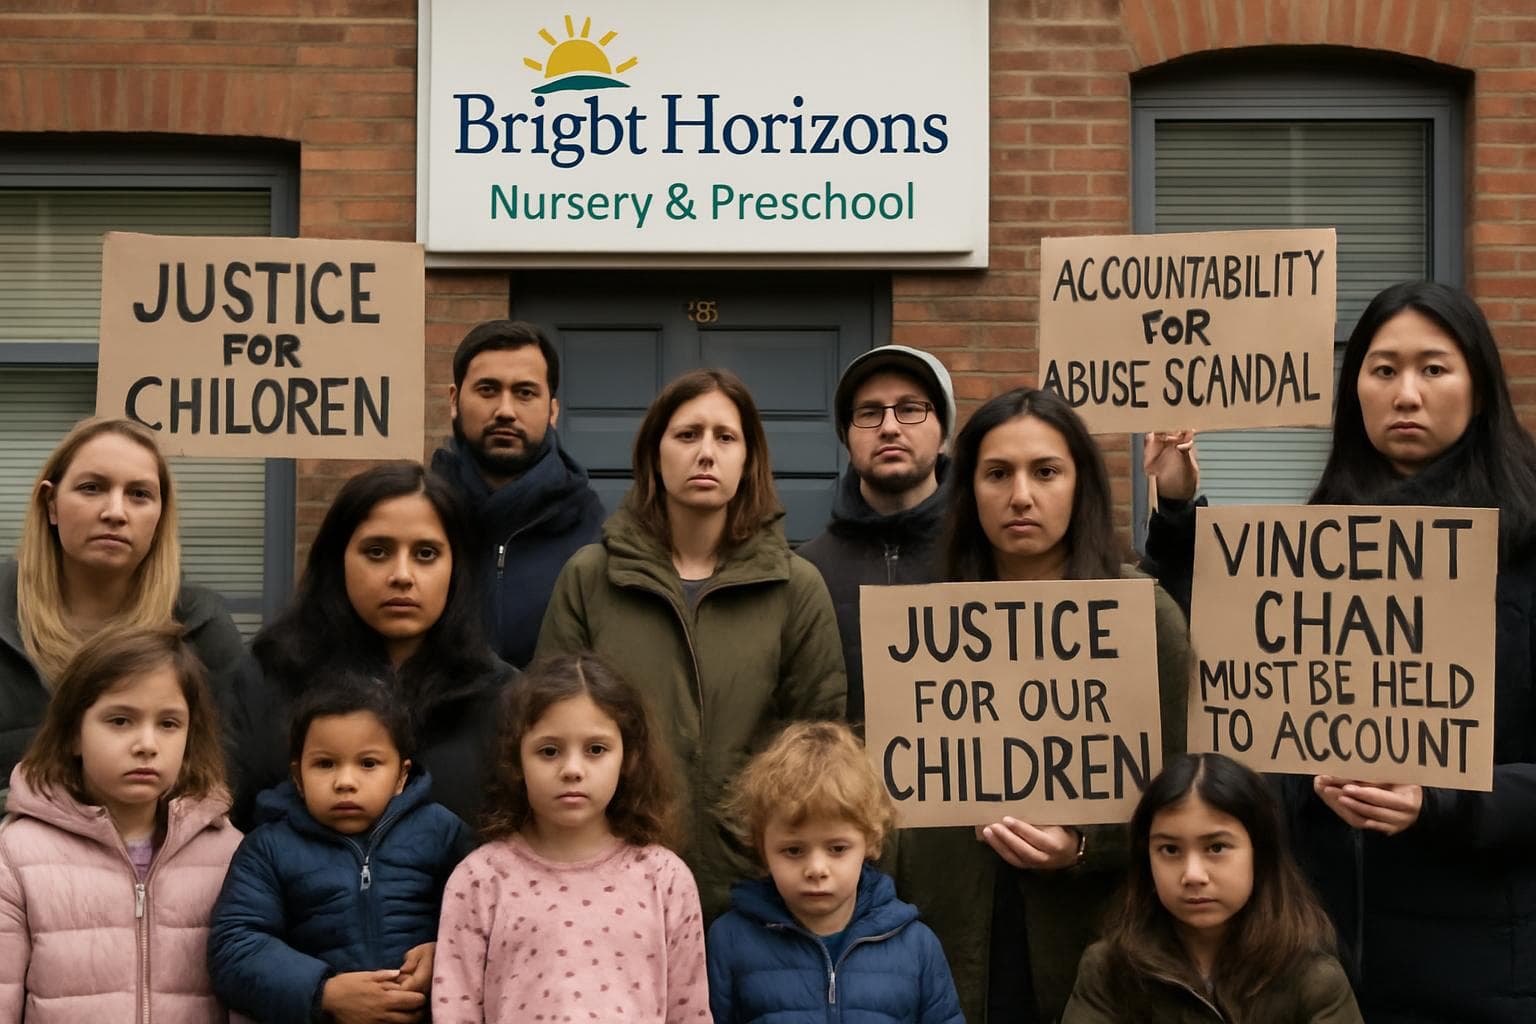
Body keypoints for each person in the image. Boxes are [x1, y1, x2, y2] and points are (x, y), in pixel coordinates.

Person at [1142, 281, 1536, 1021]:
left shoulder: (1526, 549)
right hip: (1317, 963)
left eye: (1433, 368)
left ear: (1480, 389)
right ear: (1355, 391)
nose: (1406, 394)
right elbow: (1215, 652)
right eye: (1383, 370)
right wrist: (1178, 512)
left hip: (1480, 969)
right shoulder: (1315, 543)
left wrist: (1439, 801)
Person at [914, 387, 1192, 1023]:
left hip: (1098, 940)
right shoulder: (923, 624)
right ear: (968, 491)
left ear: (1080, 485)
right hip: (950, 940)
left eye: (1045, 472)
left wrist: (1085, 846)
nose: (1020, 496)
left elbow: (1186, 789)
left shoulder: (1146, 616)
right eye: (997, 474)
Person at [537, 368, 846, 921]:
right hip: (615, 885)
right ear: (654, 454)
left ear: (748, 460)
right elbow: (549, 731)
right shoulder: (590, 577)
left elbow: (819, 745)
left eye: (725, 437)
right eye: (687, 435)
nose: (706, 453)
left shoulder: (796, 587)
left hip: (757, 889)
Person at [228, 463, 512, 829]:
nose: (402, 576)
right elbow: (225, 826)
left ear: (456, 569)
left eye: (426, 554)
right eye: (377, 551)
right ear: (338, 560)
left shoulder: (503, 698)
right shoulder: (267, 678)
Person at [431, 654, 709, 1023]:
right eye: (549, 751)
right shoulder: (480, 880)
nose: (572, 770)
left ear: (629, 758)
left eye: (596, 750)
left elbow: (690, 1013)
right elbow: (455, 1011)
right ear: (516, 761)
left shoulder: (665, 879)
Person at [0, 624, 241, 1022]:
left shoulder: (229, 852)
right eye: (120, 721)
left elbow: (248, 996)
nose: (147, 744)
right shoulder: (16, 853)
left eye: (168, 724)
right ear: (73, 735)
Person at [0, 417, 244, 792]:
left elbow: (224, 777)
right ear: (51, 504)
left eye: (139, 494)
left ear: (161, 515)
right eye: (92, 488)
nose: (115, 512)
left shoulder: (199, 625)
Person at [210, 679, 472, 1024]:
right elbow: (234, 947)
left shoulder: (442, 833)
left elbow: (488, 922)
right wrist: (324, 992)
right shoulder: (268, 847)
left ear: (401, 775)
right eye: (325, 764)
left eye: (368, 763)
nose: (345, 781)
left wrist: (445, 954)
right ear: (298, 777)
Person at [1062, 753, 1362, 1023]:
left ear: (1260, 853)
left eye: (1216, 847)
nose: (1193, 875)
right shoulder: (1109, 968)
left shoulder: (1312, 978)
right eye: (1170, 850)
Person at [707, 720, 964, 1024]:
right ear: (762, 849)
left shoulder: (916, 946)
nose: (816, 869)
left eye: (837, 848)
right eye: (793, 850)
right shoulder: (730, 941)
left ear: (871, 842)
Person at [431, 320, 605, 667]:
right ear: (454, 400)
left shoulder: (594, 533)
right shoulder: (422, 519)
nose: (505, 411)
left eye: (525, 393)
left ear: (552, 410)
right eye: (487, 390)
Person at [797, 344, 957, 724]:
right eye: (869, 413)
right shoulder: (806, 572)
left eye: (910, 409)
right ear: (847, 438)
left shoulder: (987, 554)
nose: (889, 427)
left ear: (943, 434)